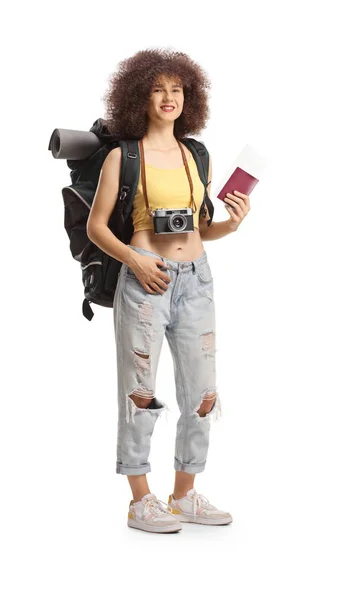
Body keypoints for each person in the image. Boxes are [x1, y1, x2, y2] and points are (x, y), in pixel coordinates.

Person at [86, 48, 250, 533]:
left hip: (197, 278)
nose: (168, 97)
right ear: (140, 94)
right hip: (144, 277)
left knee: (203, 391)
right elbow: (98, 227)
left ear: (189, 97)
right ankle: (140, 500)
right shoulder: (123, 155)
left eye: (177, 89)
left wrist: (231, 226)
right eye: (158, 88)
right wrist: (135, 258)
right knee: (140, 392)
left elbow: (201, 227)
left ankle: (184, 494)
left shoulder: (196, 153)